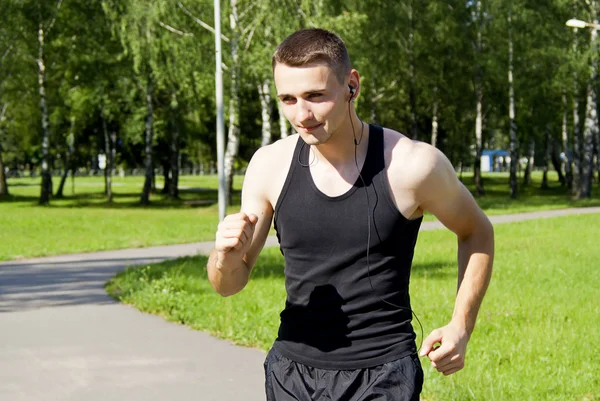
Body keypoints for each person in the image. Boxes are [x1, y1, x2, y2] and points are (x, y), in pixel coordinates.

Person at [207, 28, 494, 401]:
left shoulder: (411, 165)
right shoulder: (269, 165)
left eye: (315, 96)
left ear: (351, 85)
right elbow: (228, 283)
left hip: (383, 374)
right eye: (288, 99)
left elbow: (477, 232)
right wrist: (224, 257)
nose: (302, 114)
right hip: (291, 372)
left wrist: (461, 325)